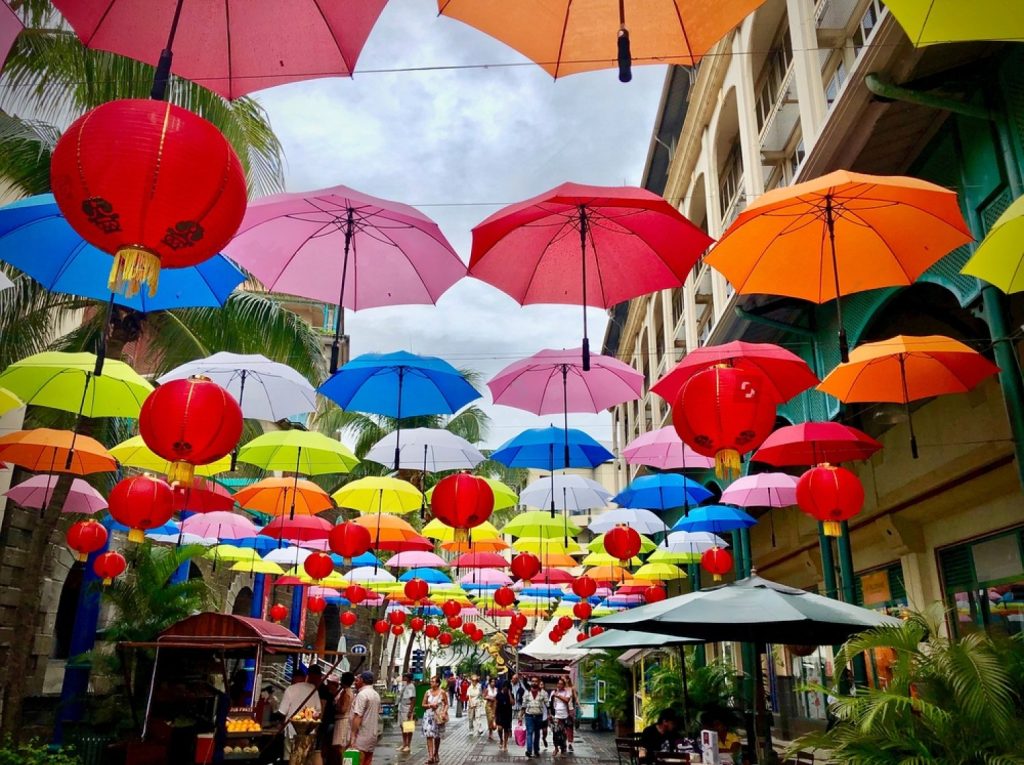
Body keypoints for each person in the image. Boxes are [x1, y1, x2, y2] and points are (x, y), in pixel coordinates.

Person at [278, 667, 323, 760]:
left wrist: (281, 724)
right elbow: (318, 712)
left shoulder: (290, 689)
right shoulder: (313, 689)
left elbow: (282, 712)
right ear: (304, 677)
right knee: (305, 758)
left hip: (292, 731)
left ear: (294, 678)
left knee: (290, 757)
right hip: (308, 731)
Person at [348, 671, 382, 765]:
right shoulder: (376, 695)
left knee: (357, 761)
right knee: (367, 761)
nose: (355, 682)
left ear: (362, 680)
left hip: (361, 735)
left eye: (357, 680)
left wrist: (353, 735)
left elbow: (358, 716)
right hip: (372, 735)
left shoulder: (362, 695)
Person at [422, 675, 449, 765]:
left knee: (437, 736)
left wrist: (444, 712)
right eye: (431, 681)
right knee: (429, 735)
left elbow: (446, 704)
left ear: (437, 683)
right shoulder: (427, 692)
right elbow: (423, 704)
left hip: (438, 717)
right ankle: (430, 756)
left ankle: (436, 752)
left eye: (433, 681)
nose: (431, 683)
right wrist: (430, 705)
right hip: (428, 716)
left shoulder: (442, 692)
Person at [331, 672, 355, 765]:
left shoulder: (346, 693)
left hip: (342, 720)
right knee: (340, 746)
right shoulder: (349, 692)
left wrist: (335, 707)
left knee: (340, 747)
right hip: (344, 720)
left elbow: (343, 709)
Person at [522, 678, 548, 759]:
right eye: (532, 681)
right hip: (529, 715)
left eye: (536, 681)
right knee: (529, 732)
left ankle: (536, 750)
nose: (534, 683)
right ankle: (529, 750)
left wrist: (550, 714)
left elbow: (547, 704)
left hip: (539, 715)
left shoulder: (543, 693)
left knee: (537, 733)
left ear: (538, 682)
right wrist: (520, 715)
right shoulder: (527, 692)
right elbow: (524, 704)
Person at [550, 677, 573, 756]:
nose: (559, 685)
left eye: (561, 684)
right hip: (556, 716)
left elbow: (567, 700)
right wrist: (550, 714)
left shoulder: (567, 692)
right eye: (558, 684)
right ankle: (556, 748)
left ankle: (563, 748)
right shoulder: (553, 692)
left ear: (564, 685)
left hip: (565, 716)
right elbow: (550, 704)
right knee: (555, 733)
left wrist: (558, 696)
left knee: (563, 734)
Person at [397, 672, 417, 753]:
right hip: (402, 708)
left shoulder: (411, 687)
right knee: (402, 726)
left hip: (407, 708)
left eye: (405, 677)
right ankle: (404, 743)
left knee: (408, 727)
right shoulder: (405, 685)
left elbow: (413, 699)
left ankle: (408, 745)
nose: (403, 678)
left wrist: (410, 711)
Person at [495, 679, 514, 752]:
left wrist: (509, 694)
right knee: (500, 728)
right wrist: (494, 715)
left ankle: (505, 744)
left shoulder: (510, 695)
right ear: (502, 687)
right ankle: (501, 739)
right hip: (500, 713)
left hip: (508, 714)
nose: (505, 689)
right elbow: (496, 704)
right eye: (504, 687)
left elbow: (513, 703)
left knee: (506, 730)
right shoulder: (499, 694)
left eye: (507, 688)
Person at [565, 678, 580, 753]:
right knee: (562, 727)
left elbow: (576, 698)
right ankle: (563, 742)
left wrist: (579, 706)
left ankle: (570, 743)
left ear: (568, 679)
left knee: (570, 726)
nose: (564, 680)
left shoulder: (572, 688)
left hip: (570, 709)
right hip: (562, 710)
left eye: (565, 678)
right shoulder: (561, 688)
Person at [484, 677, 498, 741]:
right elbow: (484, 696)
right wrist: (489, 697)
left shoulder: (496, 689)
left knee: (494, 718)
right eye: (492, 682)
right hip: (489, 705)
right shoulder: (487, 689)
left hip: (495, 705)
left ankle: (492, 728)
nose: (493, 683)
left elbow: (497, 697)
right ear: (489, 683)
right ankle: (490, 732)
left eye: (494, 682)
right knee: (490, 719)